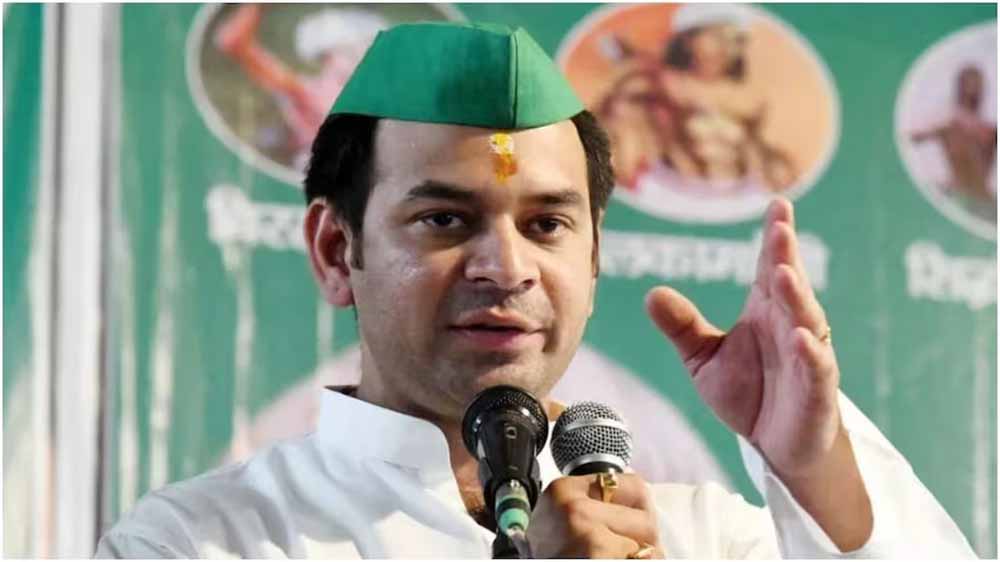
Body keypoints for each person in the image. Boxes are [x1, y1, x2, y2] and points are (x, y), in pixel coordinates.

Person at [96, 21, 975, 558]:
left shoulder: (701, 538)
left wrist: (813, 464)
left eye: (548, 224)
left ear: (593, 257)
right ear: (336, 249)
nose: (506, 267)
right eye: (445, 219)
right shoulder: (202, 541)